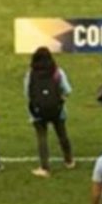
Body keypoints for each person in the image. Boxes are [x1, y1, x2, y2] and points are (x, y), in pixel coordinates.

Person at [24, 47, 75, 178]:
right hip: (57, 110)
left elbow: (27, 93)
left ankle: (44, 167)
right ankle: (69, 160)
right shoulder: (57, 72)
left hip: (37, 112)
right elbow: (68, 90)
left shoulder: (30, 73)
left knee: (42, 137)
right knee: (62, 134)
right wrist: (59, 99)